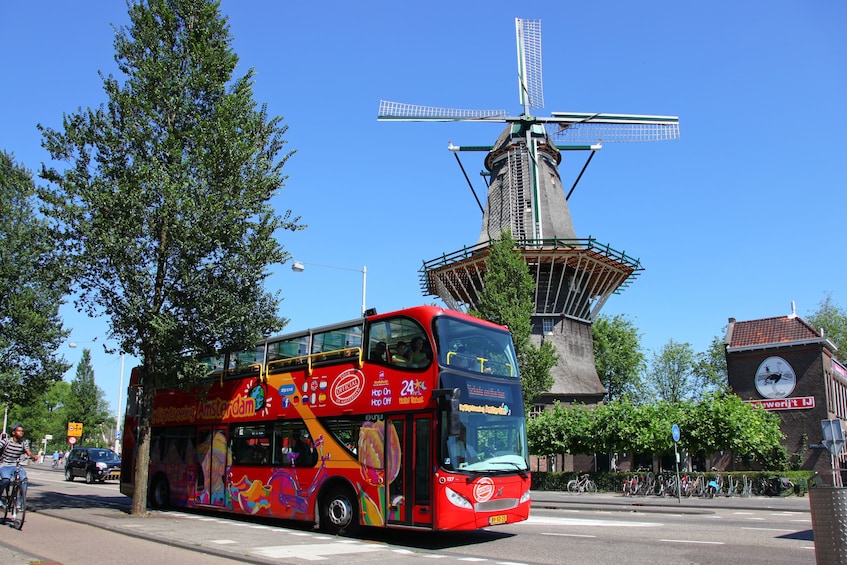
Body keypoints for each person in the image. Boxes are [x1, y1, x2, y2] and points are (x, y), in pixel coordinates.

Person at [0, 423, 38, 500]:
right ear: (13, 433)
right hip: (5, 465)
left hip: (16, 465)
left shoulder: (23, 443)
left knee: (24, 480)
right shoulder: (6, 441)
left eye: (22, 431)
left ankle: (19, 503)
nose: (21, 432)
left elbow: (28, 452)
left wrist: (33, 456)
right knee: (5, 480)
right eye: (19, 431)